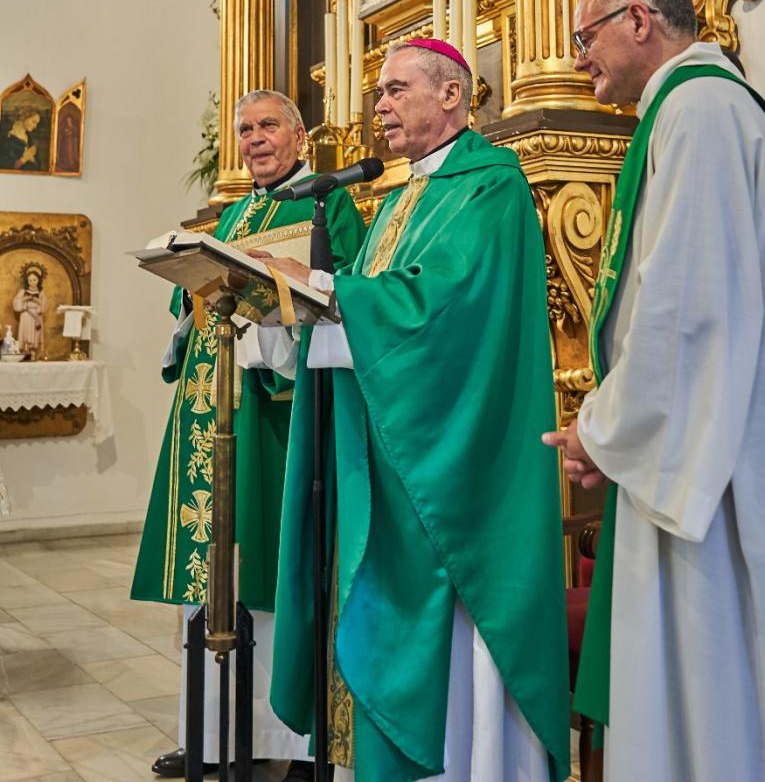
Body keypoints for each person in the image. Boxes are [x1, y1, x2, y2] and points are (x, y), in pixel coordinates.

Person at [543, 0, 765, 782]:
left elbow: (686, 311)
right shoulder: (694, 109)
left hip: (718, 469)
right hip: (717, 440)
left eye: (584, 37)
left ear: (638, 21)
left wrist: (602, 428)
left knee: (721, 675)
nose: (578, 57)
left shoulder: (697, 111)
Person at [264, 39, 569, 782]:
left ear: (454, 96)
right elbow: (375, 309)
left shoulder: (490, 186)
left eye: (397, 89)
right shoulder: (399, 196)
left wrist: (333, 295)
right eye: (377, 92)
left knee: (457, 662)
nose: (380, 106)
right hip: (387, 464)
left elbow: (448, 308)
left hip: (453, 470)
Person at [131, 89, 366, 779]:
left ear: (300, 136)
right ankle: (205, 732)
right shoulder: (235, 211)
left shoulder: (329, 206)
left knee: (269, 575)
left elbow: (337, 298)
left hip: (273, 417)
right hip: (210, 414)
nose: (255, 139)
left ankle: (291, 743)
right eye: (244, 129)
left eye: (268, 126)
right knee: (208, 582)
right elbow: (199, 299)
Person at [13, 262, 47, 352]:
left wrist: (38, 301)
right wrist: (24, 299)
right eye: (30, 280)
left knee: (35, 333)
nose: (32, 282)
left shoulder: (41, 292)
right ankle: (25, 350)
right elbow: (16, 302)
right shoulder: (23, 291)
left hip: (36, 315)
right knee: (26, 332)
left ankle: (33, 353)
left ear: (38, 280)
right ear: (27, 281)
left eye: (34, 280)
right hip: (26, 315)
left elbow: (45, 304)